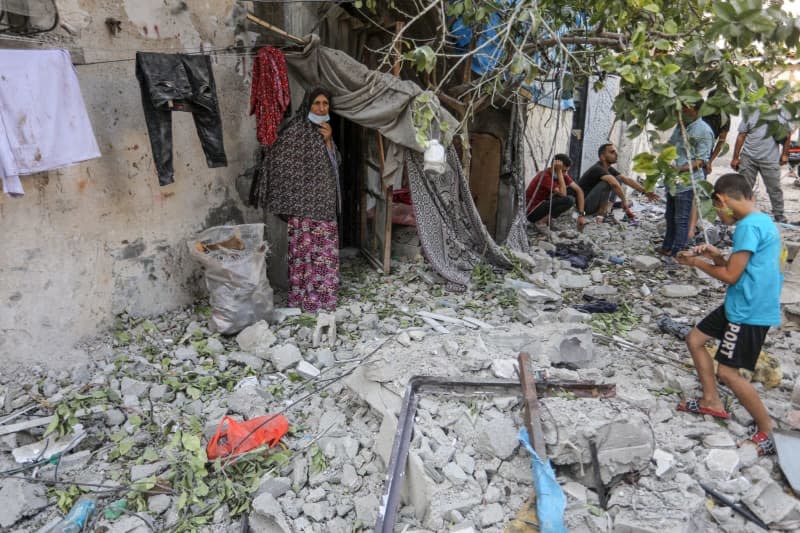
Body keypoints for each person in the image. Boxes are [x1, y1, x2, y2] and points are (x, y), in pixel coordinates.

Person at [676, 173, 785, 456]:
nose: (719, 215)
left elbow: (732, 276)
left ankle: (768, 431)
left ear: (722, 200)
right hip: (741, 303)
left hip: (748, 310)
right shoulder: (761, 221)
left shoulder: (747, 227)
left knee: (728, 371)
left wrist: (696, 262)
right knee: (695, 339)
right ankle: (712, 401)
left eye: (717, 208)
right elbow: (741, 268)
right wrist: (714, 255)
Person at [254, 87, 342, 312]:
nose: (321, 108)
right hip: (301, 208)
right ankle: (304, 299)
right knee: (304, 255)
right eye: (317, 104)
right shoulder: (294, 130)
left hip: (323, 205)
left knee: (323, 254)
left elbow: (335, 165)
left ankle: (324, 300)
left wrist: (329, 141)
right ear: (307, 105)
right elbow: (277, 161)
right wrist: (291, 194)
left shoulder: (326, 131)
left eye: (325, 104)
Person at [661, 102, 715, 261]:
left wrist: (679, 169)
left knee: (681, 218)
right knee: (670, 216)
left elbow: (701, 161)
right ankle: (667, 247)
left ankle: (679, 251)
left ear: (695, 109)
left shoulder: (704, 131)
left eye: (686, 107)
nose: (682, 110)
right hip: (673, 181)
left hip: (688, 181)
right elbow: (670, 146)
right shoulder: (681, 126)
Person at [730, 108, 792, 223]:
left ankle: (779, 214)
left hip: (770, 158)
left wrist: (784, 154)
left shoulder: (782, 114)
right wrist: (735, 158)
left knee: (774, 188)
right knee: (744, 187)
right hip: (748, 157)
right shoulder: (750, 113)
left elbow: (787, 135)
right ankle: (741, 213)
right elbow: (741, 135)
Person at [577, 143, 659, 221]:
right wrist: (624, 201)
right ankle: (601, 214)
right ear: (603, 157)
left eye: (615, 152)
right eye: (612, 152)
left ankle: (608, 211)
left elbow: (625, 179)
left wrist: (645, 191)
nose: (616, 154)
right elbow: (614, 184)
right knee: (608, 182)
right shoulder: (598, 169)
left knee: (618, 178)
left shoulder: (607, 168)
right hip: (584, 207)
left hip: (592, 204)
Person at [525, 154, 587, 230]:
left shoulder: (561, 174)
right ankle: (541, 222)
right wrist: (559, 172)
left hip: (544, 203)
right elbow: (563, 194)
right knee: (569, 200)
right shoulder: (545, 176)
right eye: (564, 170)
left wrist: (581, 215)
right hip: (532, 211)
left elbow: (579, 190)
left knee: (572, 192)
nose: (565, 174)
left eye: (567, 171)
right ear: (555, 167)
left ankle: (546, 221)